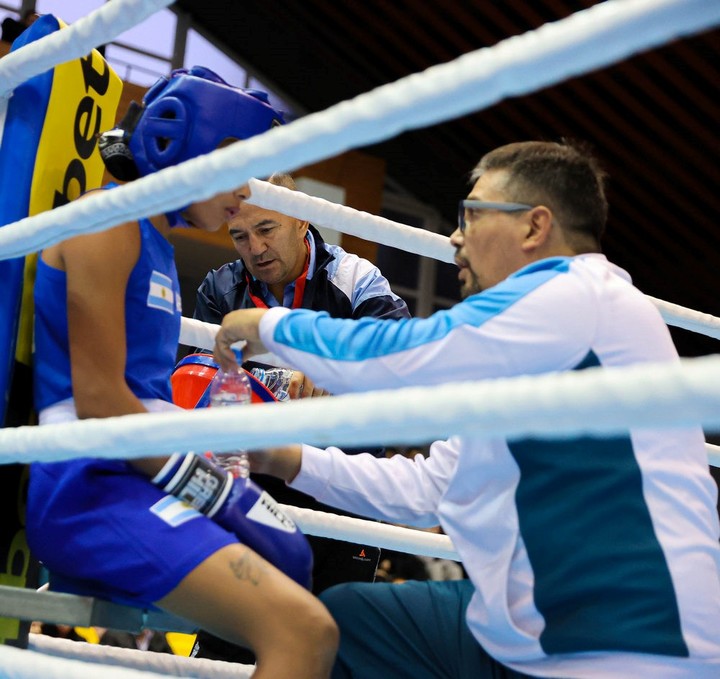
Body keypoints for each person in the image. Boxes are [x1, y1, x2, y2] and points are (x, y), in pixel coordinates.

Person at [214, 140, 720, 678]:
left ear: (534, 227)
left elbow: (402, 358)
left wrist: (263, 325)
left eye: (473, 215)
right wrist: (288, 460)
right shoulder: (524, 349)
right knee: (345, 622)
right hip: (517, 631)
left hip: (628, 642)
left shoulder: (579, 295)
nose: (455, 236)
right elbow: (431, 487)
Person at [25, 66, 338, 679]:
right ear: (187, 145)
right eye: (236, 171)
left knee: (299, 583)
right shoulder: (108, 221)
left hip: (131, 477)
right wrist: (209, 487)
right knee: (303, 630)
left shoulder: (155, 244)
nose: (242, 197)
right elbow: (98, 399)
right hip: (89, 485)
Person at [191, 170, 410, 661]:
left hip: (342, 486)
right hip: (253, 485)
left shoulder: (355, 279)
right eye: (240, 236)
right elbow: (197, 387)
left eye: (266, 229)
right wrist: (280, 382)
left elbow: (397, 364)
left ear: (300, 221)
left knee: (332, 645)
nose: (255, 248)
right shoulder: (220, 288)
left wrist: (339, 375)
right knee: (228, 644)